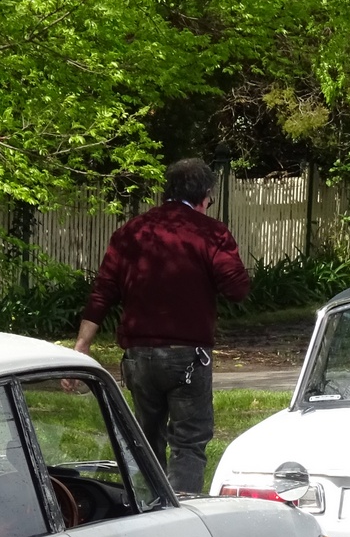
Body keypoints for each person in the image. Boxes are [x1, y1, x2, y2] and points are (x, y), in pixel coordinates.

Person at [74, 159, 251, 493]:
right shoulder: (211, 232)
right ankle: (182, 511)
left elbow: (102, 292)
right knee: (188, 442)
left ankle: (146, 508)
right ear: (205, 195)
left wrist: (82, 345)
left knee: (145, 440)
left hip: (138, 356)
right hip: (187, 356)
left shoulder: (131, 232)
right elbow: (237, 288)